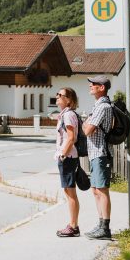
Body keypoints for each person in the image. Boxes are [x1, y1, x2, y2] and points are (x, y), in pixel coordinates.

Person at [82, 74, 113, 239]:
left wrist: (87, 123)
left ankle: (105, 228)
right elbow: (85, 126)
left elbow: (86, 130)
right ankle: (100, 224)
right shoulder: (97, 106)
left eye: (93, 84)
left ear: (102, 88)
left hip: (101, 153)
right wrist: (87, 124)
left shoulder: (103, 107)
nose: (90, 86)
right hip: (95, 153)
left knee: (102, 190)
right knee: (95, 190)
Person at [53, 87, 81, 237]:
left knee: (70, 193)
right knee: (68, 191)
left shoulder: (68, 115)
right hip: (67, 157)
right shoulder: (65, 114)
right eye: (57, 94)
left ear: (69, 100)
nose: (57, 97)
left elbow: (71, 137)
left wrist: (63, 155)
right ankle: (72, 225)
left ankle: (73, 226)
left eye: (61, 95)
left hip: (68, 157)